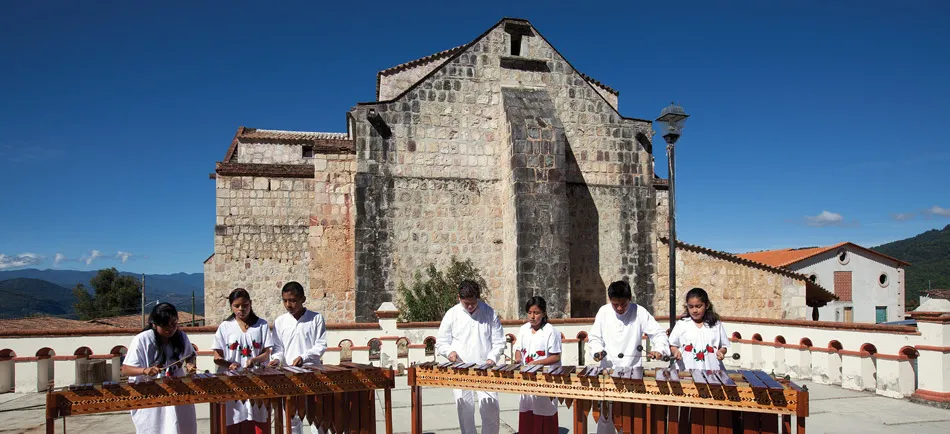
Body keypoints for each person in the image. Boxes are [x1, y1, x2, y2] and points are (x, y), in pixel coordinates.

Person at [588, 280, 670, 434]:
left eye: (623, 304)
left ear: (630, 298)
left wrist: (659, 349)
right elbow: (594, 338)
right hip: (608, 374)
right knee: (606, 419)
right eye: (615, 304)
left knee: (631, 421)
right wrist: (597, 351)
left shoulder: (640, 312)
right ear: (609, 300)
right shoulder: (604, 312)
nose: (619, 308)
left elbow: (658, 333)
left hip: (633, 374)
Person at [435, 280, 506, 434]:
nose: (469, 306)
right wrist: (449, 353)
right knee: (465, 411)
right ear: (459, 298)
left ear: (478, 298)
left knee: (491, 410)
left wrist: (492, 358)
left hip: (485, 369)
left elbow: (499, 341)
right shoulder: (452, 314)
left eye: (472, 303)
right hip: (461, 369)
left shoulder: (489, 312)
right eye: (465, 303)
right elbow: (441, 342)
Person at [121, 302, 198, 434]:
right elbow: (126, 369)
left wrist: (190, 364)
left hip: (178, 394)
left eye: (174, 324)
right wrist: (144, 370)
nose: (170, 329)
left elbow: (190, 355)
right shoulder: (142, 340)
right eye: (165, 326)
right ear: (154, 324)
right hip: (151, 399)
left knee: (183, 428)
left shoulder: (181, 337)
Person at [268, 281, 329, 434]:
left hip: (313, 373)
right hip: (289, 374)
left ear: (303, 299)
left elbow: (320, 345)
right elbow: (278, 347)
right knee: (292, 418)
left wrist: (304, 356)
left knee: (317, 417)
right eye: (285, 300)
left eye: (293, 300)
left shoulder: (316, 318)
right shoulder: (280, 321)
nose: (288, 304)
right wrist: (276, 359)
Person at [211, 288, 274, 434]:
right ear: (231, 306)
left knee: (258, 419)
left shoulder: (262, 325)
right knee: (233, 419)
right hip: (232, 382)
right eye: (237, 306)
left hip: (257, 381)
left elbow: (266, 353)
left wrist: (255, 359)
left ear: (250, 304)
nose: (241, 309)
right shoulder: (225, 327)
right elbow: (217, 357)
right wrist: (229, 364)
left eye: (245, 305)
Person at [513, 296, 562, 434]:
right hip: (527, 379)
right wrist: (518, 359)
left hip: (545, 379)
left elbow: (556, 356)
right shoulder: (523, 329)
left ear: (544, 313)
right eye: (529, 312)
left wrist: (537, 363)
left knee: (544, 412)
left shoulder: (551, 331)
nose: (532, 316)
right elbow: (517, 349)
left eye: (536, 313)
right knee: (527, 410)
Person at [669, 287, 731, 370]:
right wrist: (676, 352)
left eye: (698, 306)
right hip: (686, 371)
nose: (694, 310)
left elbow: (723, 346)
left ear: (707, 305)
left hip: (712, 371)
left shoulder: (716, 324)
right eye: (691, 307)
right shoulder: (682, 324)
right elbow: (672, 344)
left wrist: (721, 352)